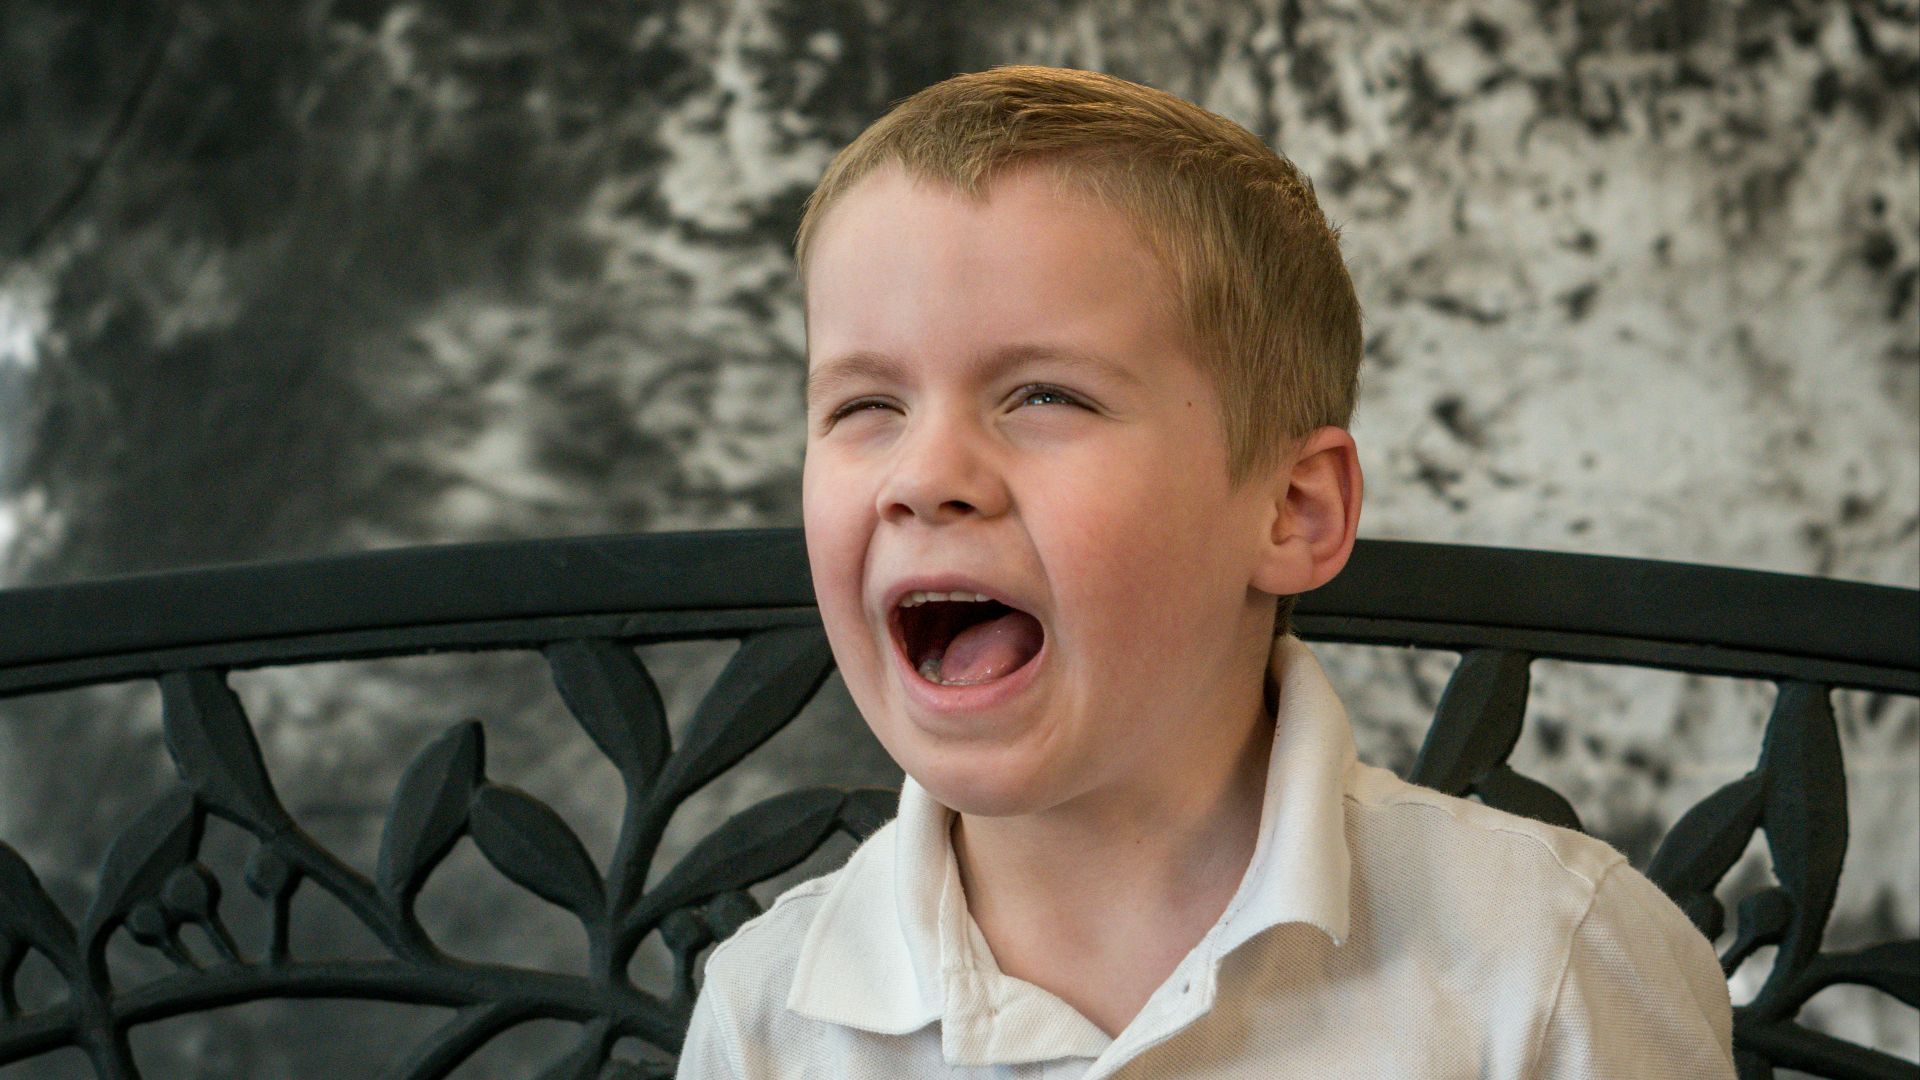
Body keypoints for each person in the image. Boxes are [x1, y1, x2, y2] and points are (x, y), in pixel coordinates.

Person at [677, 65, 1735, 1078]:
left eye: (1045, 396)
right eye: (865, 407)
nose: (925, 476)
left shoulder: (1549, 962)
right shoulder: (769, 1017)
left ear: (1292, 510)